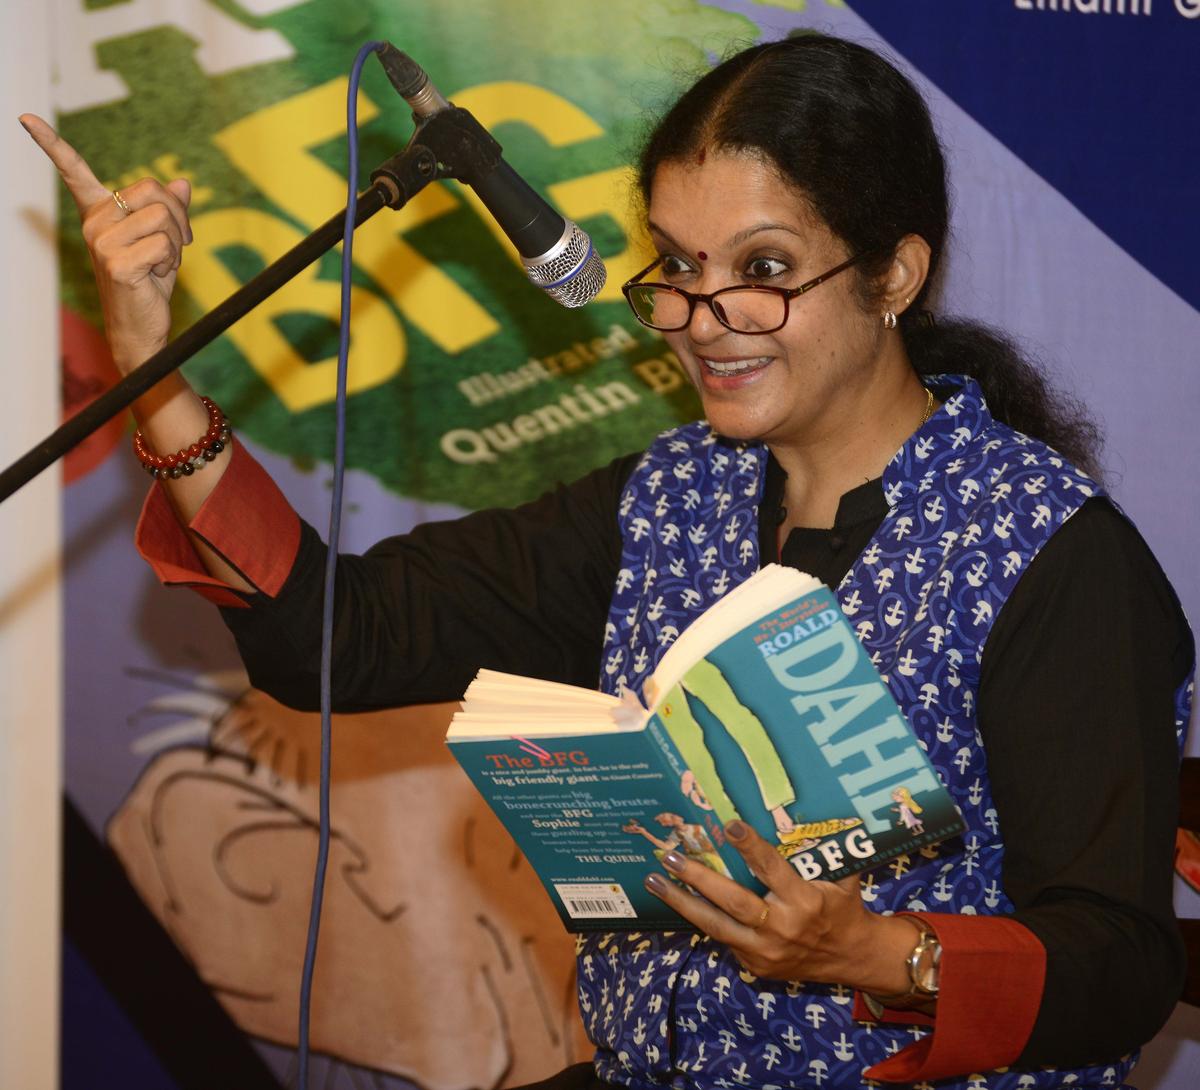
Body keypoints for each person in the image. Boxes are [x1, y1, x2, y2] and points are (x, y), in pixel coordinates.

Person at [22, 30, 1193, 1090]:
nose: (703, 315)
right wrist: (153, 365)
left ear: (894, 274)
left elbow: (1124, 967)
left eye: (766, 270)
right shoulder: (671, 495)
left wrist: (869, 948)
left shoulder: (1047, 551)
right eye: (679, 267)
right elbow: (338, 635)